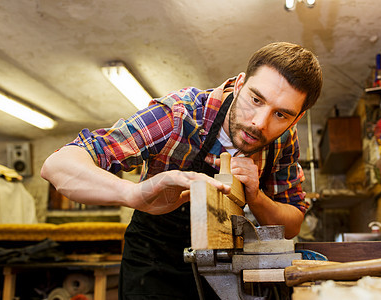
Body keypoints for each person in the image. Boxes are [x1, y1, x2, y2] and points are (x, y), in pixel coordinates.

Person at [41, 41, 322, 299]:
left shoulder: (284, 139)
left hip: (223, 266)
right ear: (239, 84)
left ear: (297, 117)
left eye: (281, 114)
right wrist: (135, 194)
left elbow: (293, 222)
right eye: (256, 99)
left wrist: (257, 197)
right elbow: (58, 166)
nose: (259, 123)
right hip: (153, 263)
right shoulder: (180, 114)